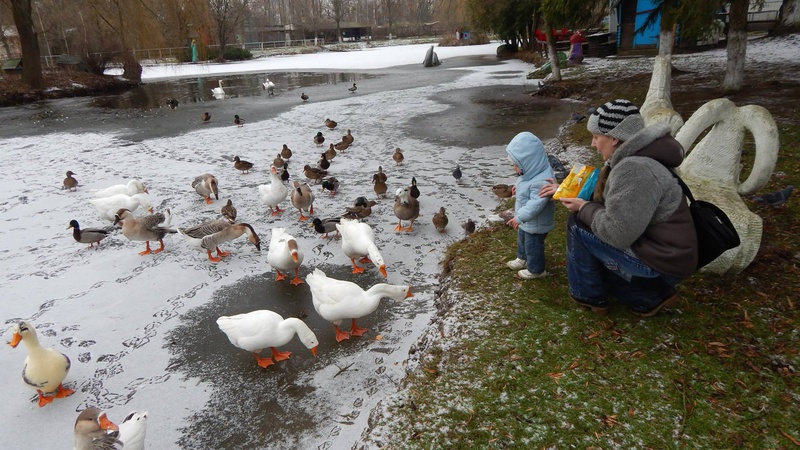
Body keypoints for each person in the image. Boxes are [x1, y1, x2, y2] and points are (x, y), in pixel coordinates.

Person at [541, 99, 698, 316]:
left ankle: (591, 295)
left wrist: (584, 207)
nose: (593, 144)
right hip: (664, 253)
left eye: (596, 137)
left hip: (661, 264)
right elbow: (617, 200)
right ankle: (641, 292)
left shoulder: (635, 169)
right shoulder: (640, 155)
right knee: (585, 221)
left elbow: (617, 233)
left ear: (614, 138)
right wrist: (566, 191)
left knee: (578, 224)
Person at [504, 132, 556, 280]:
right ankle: (522, 258)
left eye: (516, 165)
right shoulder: (531, 172)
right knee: (522, 239)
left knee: (533, 245)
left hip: (536, 222)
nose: (514, 168)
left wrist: (519, 217)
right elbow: (524, 182)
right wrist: (517, 188)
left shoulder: (541, 181)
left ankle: (536, 270)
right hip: (527, 220)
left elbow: (535, 205)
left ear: (528, 162)